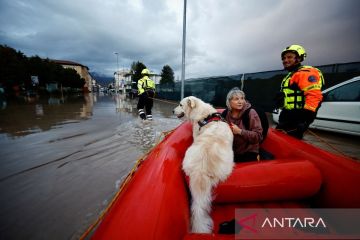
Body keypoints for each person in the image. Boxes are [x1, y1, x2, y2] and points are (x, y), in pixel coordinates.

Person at [275, 44, 325, 139]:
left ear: (299, 58)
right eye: (284, 58)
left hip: (296, 119)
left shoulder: (305, 73)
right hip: (287, 116)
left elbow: (314, 96)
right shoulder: (292, 74)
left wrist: (305, 121)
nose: (285, 60)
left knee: (289, 145)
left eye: (289, 57)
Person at [222, 87, 263, 162]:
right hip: (231, 152)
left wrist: (240, 131)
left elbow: (258, 136)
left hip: (248, 153)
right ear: (229, 101)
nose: (240, 101)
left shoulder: (251, 113)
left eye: (242, 98)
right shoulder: (225, 114)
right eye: (236, 99)